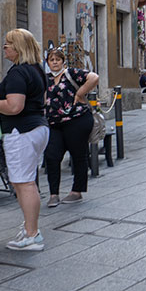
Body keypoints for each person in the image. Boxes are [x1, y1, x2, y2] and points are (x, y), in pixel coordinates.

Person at [0, 29, 50, 251]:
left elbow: (14, 107)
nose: (4, 47)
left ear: (18, 47)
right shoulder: (37, 70)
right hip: (37, 128)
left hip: (21, 131)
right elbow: (42, 99)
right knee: (26, 181)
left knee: (24, 183)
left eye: (8, 44)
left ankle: (32, 234)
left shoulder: (17, 73)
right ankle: (30, 228)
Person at [43, 47, 99, 207]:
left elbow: (94, 77)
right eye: (51, 60)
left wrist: (80, 93)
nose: (55, 63)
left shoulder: (71, 73)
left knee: (78, 155)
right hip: (54, 123)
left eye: (58, 60)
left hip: (77, 119)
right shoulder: (45, 78)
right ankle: (54, 194)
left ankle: (77, 191)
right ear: (47, 62)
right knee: (52, 156)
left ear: (63, 61)